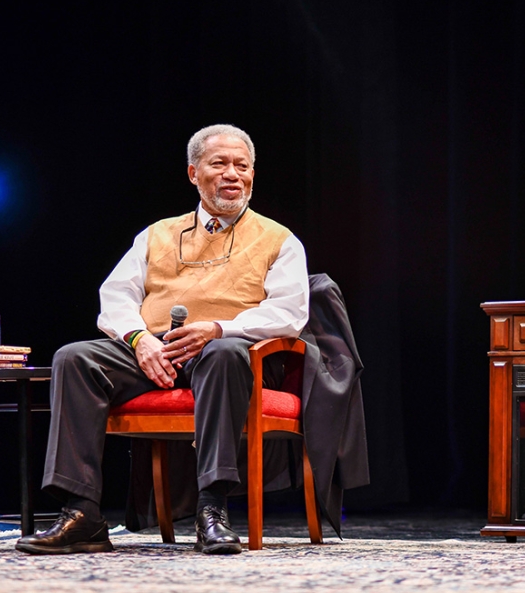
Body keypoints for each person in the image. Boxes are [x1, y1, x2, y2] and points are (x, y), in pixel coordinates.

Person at [16, 124, 309, 556]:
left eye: (241, 166)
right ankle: (82, 513)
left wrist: (217, 328)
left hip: (229, 349)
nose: (232, 175)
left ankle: (213, 509)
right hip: (154, 350)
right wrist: (138, 339)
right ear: (194, 173)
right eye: (219, 164)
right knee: (75, 358)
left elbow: (290, 313)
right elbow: (115, 295)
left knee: (225, 354)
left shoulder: (279, 239)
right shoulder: (157, 234)